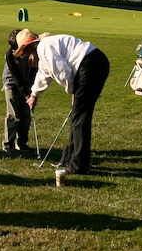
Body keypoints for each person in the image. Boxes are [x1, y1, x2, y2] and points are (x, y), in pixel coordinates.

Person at [14, 29, 109, 175]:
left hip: (92, 64)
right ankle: (68, 159)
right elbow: (44, 74)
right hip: (91, 63)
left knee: (80, 117)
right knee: (77, 116)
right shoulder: (44, 48)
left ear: (29, 47)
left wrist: (73, 91)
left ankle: (79, 166)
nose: (26, 56)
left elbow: (62, 72)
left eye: (25, 52)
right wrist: (34, 95)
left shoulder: (44, 47)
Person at [2, 29, 37, 153]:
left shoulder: (32, 51)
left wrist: (33, 92)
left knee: (25, 116)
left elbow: (35, 71)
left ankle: (22, 143)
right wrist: (26, 95)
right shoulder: (9, 55)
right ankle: (8, 144)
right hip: (12, 85)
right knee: (13, 115)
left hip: (28, 84)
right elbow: (16, 77)